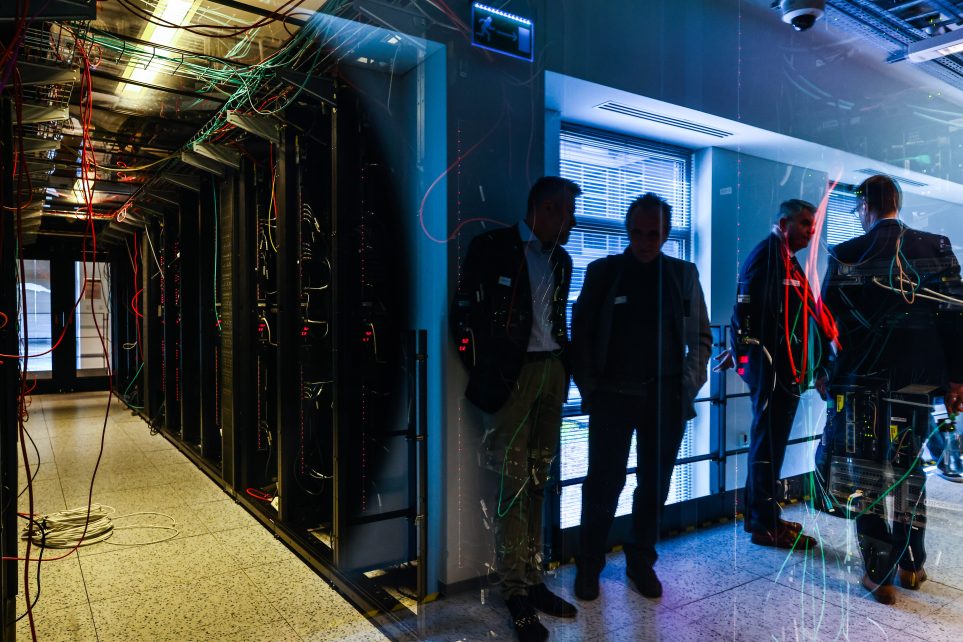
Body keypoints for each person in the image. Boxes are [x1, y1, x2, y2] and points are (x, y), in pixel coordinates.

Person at [450, 176, 581, 642]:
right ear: (545, 210)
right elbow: (462, 316)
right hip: (513, 378)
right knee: (511, 485)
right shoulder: (492, 247)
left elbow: (557, 319)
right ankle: (514, 591)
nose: (570, 223)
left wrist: (564, 369)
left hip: (550, 374)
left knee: (539, 481)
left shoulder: (561, 260)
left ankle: (532, 580)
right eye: (565, 213)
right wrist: (488, 372)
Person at [822, 174, 963, 604]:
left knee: (865, 471)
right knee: (908, 468)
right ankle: (912, 564)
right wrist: (957, 378)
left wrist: (825, 373)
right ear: (897, 202)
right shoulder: (935, 246)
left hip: (861, 384)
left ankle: (878, 573)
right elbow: (956, 316)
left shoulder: (845, 253)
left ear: (864, 207)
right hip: (916, 384)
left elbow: (828, 324)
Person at [570, 193, 711, 601]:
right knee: (603, 485)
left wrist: (688, 384)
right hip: (612, 396)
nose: (646, 240)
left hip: (665, 397)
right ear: (628, 230)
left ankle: (640, 562)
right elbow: (581, 334)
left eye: (654, 233)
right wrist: (590, 389)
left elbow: (700, 337)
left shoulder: (683, 274)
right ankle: (589, 565)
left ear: (666, 233)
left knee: (654, 486)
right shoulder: (604, 272)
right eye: (638, 232)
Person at [724, 199, 833, 549]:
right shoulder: (767, 255)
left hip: (782, 370)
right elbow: (746, 311)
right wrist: (750, 357)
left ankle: (763, 517)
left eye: (812, 224)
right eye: (804, 224)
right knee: (767, 447)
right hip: (773, 371)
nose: (810, 231)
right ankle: (763, 524)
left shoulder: (785, 258)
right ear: (784, 223)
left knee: (769, 446)